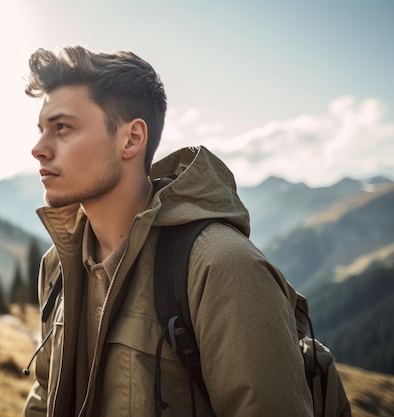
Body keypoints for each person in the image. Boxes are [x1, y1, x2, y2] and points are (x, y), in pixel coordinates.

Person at [22, 45, 313, 417]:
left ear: (131, 139)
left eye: (63, 128)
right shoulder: (58, 264)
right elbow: (46, 394)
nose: (39, 149)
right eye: (42, 129)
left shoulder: (221, 268)